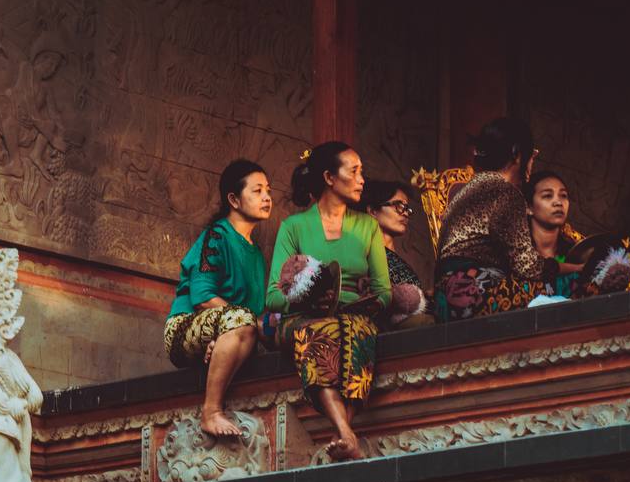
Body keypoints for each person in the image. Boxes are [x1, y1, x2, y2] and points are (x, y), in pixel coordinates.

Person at [266, 142, 391, 460]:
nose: (362, 179)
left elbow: (384, 291)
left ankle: (342, 434)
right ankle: (347, 433)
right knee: (320, 331)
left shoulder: (368, 226)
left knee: (357, 330)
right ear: (329, 178)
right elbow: (273, 295)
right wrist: (307, 300)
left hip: (353, 315)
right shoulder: (294, 227)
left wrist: (367, 303)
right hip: (304, 318)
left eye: (362, 172)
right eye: (354, 171)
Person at [164, 159, 273, 437]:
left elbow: (255, 313)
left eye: (268, 191)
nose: (267, 197)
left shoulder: (257, 254)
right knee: (244, 320)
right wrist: (234, 324)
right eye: (257, 191)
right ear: (234, 200)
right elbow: (202, 296)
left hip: (232, 328)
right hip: (183, 328)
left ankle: (221, 343)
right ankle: (211, 412)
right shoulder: (217, 236)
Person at [434, 118, 560, 321]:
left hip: (445, 300)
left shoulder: (467, 190)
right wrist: (569, 268)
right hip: (477, 293)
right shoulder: (506, 193)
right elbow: (528, 267)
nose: (532, 161)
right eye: (532, 154)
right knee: (569, 287)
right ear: (517, 153)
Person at [360, 180, 434, 327]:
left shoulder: (396, 258)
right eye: (398, 206)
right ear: (373, 211)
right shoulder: (365, 255)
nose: (405, 213)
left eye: (407, 208)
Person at [525, 170, 585, 299]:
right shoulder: (516, 256)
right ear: (529, 207)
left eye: (563, 195)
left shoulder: (579, 254)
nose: (558, 202)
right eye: (547, 196)